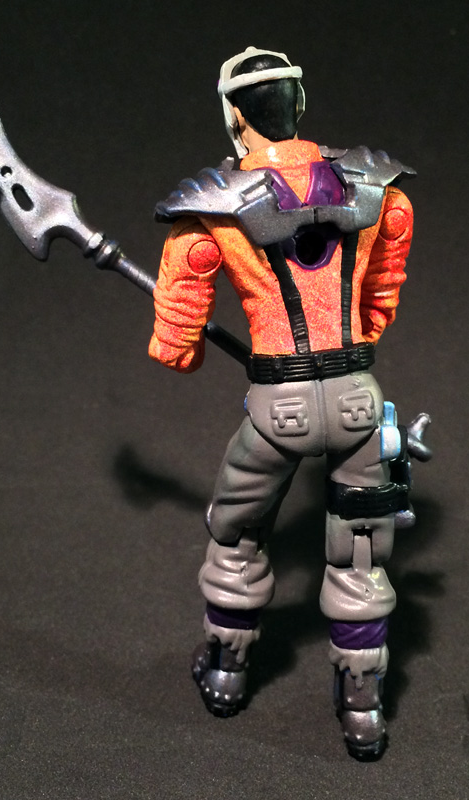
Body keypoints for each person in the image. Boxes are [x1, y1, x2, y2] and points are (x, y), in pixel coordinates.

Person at [149, 46, 414, 760]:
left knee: (237, 533)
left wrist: (183, 340)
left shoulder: (212, 209)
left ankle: (228, 669)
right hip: (358, 400)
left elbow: (176, 344)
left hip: (277, 410)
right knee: (361, 551)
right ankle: (362, 705)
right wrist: (354, 333)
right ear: (299, 103)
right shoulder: (377, 187)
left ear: (235, 116)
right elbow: (381, 294)